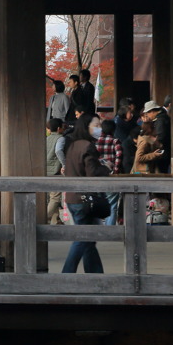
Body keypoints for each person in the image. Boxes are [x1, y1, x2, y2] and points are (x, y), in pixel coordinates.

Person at [62, 112, 111, 274]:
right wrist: (106, 168)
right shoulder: (88, 146)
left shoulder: (73, 145)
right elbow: (93, 172)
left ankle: (95, 274)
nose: (99, 129)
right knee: (83, 238)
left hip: (73, 197)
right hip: (85, 198)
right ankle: (66, 274)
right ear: (86, 127)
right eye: (96, 126)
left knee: (88, 239)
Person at [95, 119, 123, 224]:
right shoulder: (115, 141)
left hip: (96, 175)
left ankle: (98, 230)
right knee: (112, 204)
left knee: (97, 202)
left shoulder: (95, 141)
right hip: (110, 176)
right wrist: (115, 170)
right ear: (113, 129)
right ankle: (109, 230)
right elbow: (119, 155)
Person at [46, 118, 67, 225]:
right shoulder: (60, 138)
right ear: (59, 128)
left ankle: (56, 221)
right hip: (55, 171)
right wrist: (64, 164)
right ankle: (41, 217)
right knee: (55, 197)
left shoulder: (46, 139)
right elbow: (58, 151)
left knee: (52, 196)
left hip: (46, 170)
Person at [143, 100, 171, 174]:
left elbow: (161, 137)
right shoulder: (161, 118)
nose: (148, 116)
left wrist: (150, 140)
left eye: (148, 113)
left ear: (152, 111)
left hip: (163, 152)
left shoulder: (160, 120)